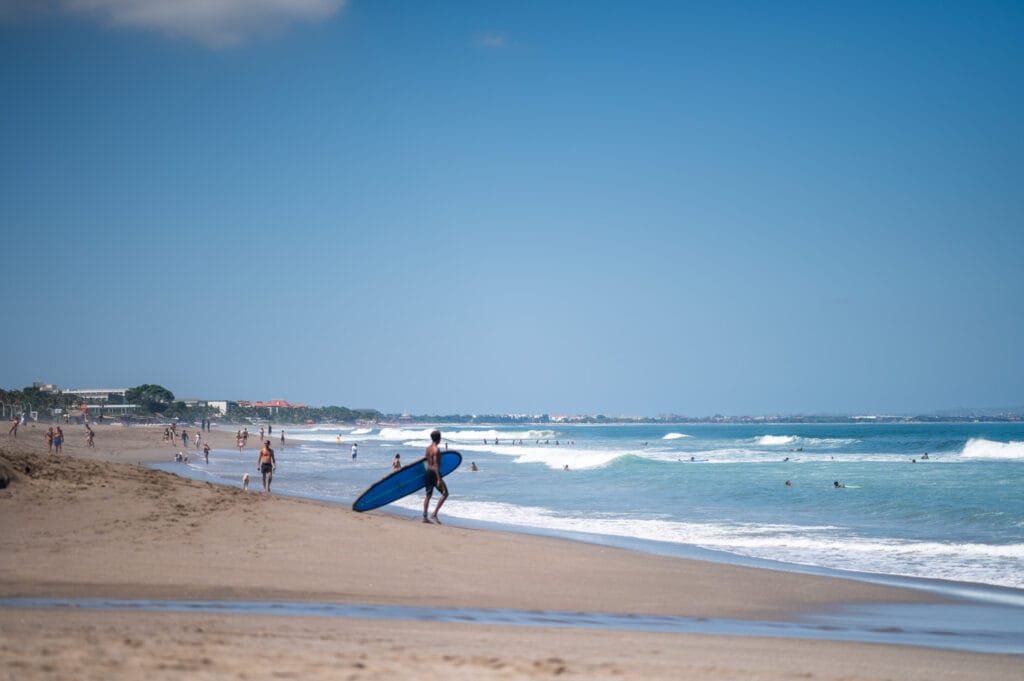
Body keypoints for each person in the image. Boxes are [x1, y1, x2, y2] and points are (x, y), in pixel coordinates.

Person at [423, 429, 448, 524]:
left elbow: (426, 461)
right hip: (434, 473)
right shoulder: (436, 450)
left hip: (428, 472)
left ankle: (425, 517)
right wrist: (438, 479)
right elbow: (436, 466)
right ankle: (434, 513)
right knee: (445, 493)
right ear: (438, 439)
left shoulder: (427, 448)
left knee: (428, 496)